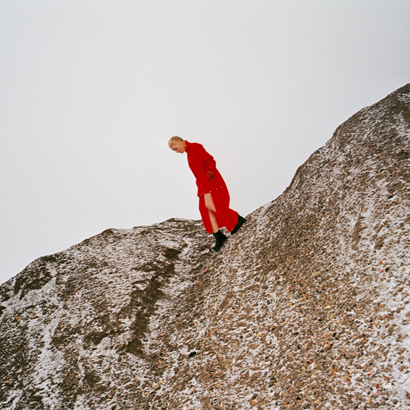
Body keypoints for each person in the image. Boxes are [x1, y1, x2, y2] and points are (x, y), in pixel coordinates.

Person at [168, 136, 246, 251]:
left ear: (180, 141)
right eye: (174, 150)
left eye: (176, 148)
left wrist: (210, 170)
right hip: (202, 184)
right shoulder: (189, 153)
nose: (177, 152)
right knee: (204, 209)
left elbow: (210, 160)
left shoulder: (195, 147)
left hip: (210, 180)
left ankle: (236, 219)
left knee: (210, 205)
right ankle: (218, 235)